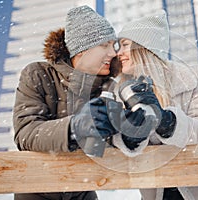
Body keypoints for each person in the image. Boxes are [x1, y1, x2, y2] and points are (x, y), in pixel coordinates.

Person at [113, 10, 198, 200]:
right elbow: (120, 145)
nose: (118, 52)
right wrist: (130, 136)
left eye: (125, 45)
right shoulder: (123, 91)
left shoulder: (194, 77)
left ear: (145, 48)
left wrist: (166, 121)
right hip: (158, 193)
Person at [13, 5, 119, 200]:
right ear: (82, 50)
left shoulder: (110, 86)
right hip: (37, 190)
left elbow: (112, 144)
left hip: (83, 190)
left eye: (114, 45)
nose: (113, 52)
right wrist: (74, 127)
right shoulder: (38, 74)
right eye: (105, 45)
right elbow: (25, 133)